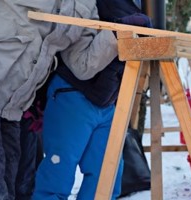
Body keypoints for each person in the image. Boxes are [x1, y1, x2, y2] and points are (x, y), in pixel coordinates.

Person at [0, 1, 143, 199]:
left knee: (8, 188)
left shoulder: (84, 3)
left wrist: (115, 35)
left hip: (10, 106)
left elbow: (81, 64)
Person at [32, 4, 153, 200]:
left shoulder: (134, 3)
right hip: (72, 93)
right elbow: (81, 64)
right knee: (57, 176)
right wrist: (118, 31)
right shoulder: (83, 4)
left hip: (107, 99)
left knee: (106, 179)